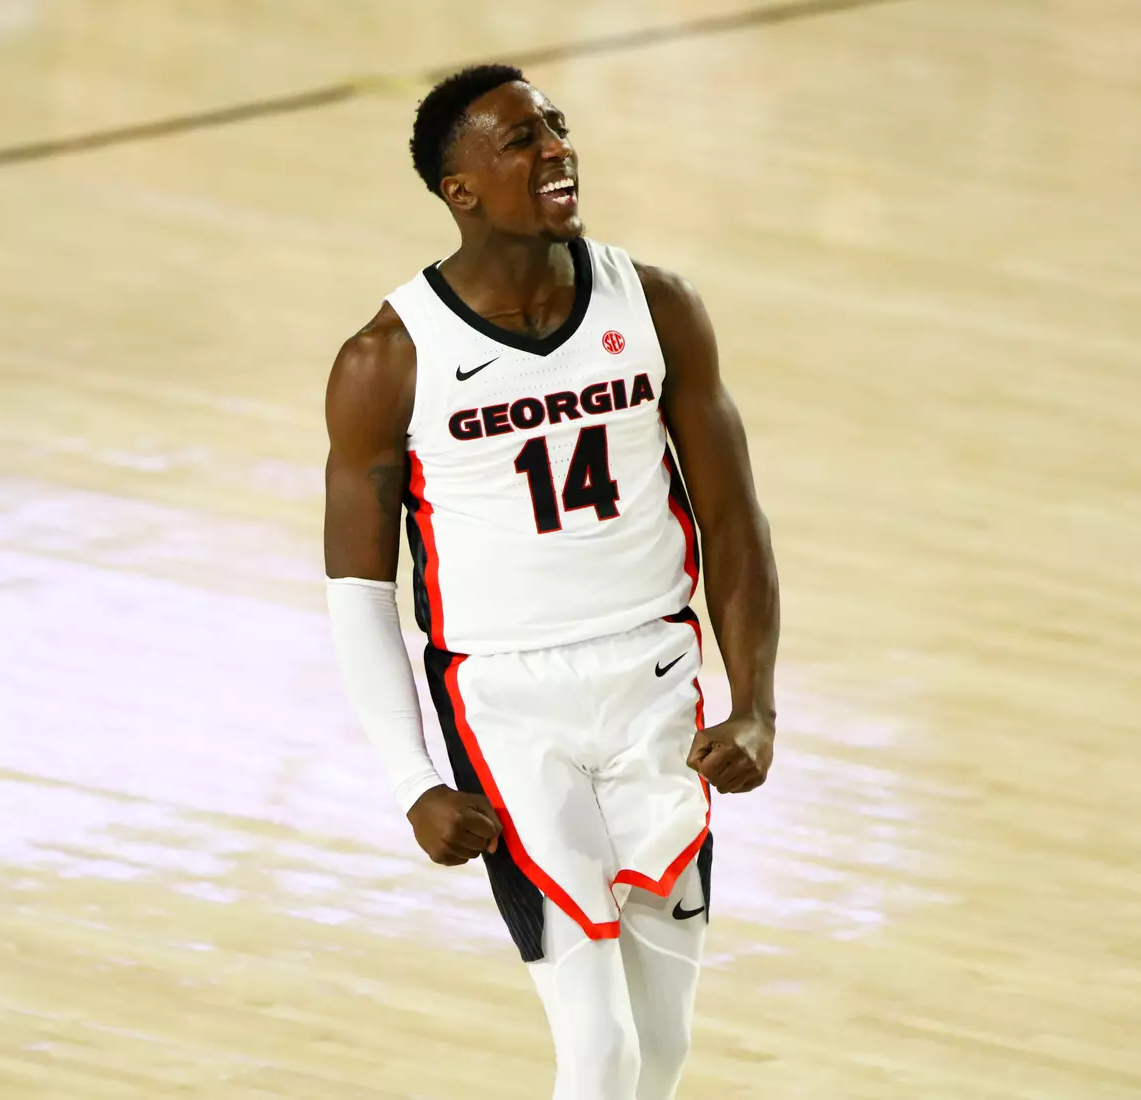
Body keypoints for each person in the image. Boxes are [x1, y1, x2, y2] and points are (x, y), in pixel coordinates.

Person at [323, 63, 779, 1100]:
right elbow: (358, 593)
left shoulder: (657, 305)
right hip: (503, 699)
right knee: (599, 1043)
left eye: (557, 128)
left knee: (660, 1045)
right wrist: (412, 778)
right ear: (461, 190)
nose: (556, 150)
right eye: (521, 139)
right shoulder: (387, 359)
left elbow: (734, 522)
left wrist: (754, 701)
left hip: (655, 677)